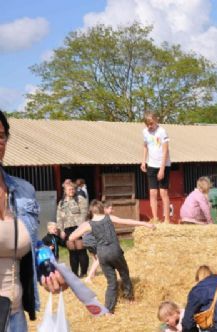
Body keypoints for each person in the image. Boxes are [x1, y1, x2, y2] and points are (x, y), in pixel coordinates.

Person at [0, 110, 66, 332]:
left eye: (1, 136)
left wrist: (47, 268)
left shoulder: (24, 190)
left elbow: (33, 244)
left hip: (15, 315)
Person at [69, 199, 155, 313]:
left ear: (91, 211)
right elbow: (126, 221)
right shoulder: (109, 217)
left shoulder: (88, 224)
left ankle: (109, 310)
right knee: (124, 274)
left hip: (102, 254)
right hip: (115, 251)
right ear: (102, 209)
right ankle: (130, 299)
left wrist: (83, 229)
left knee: (111, 282)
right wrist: (145, 223)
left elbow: (71, 237)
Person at [141, 111, 172, 224]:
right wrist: (143, 161)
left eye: (151, 124)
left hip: (163, 165)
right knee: (152, 193)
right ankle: (155, 219)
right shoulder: (145, 132)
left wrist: (162, 169)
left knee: (163, 193)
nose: (149, 126)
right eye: (147, 124)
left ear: (156, 121)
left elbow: (165, 151)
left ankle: (167, 220)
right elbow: (145, 146)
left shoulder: (162, 132)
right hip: (151, 165)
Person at [56, 181, 89, 277]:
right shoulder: (61, 203)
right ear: (65, 191)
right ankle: (74, 274)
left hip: (78, 227)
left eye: (73, 189)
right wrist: (61, 230)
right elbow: (59, 217)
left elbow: (84, 213)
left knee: (81, 250)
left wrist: (82, 229)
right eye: (69, 189)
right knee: (72, 251)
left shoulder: (80, 199)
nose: (71, 191)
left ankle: (84, 273)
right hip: (67, 229)